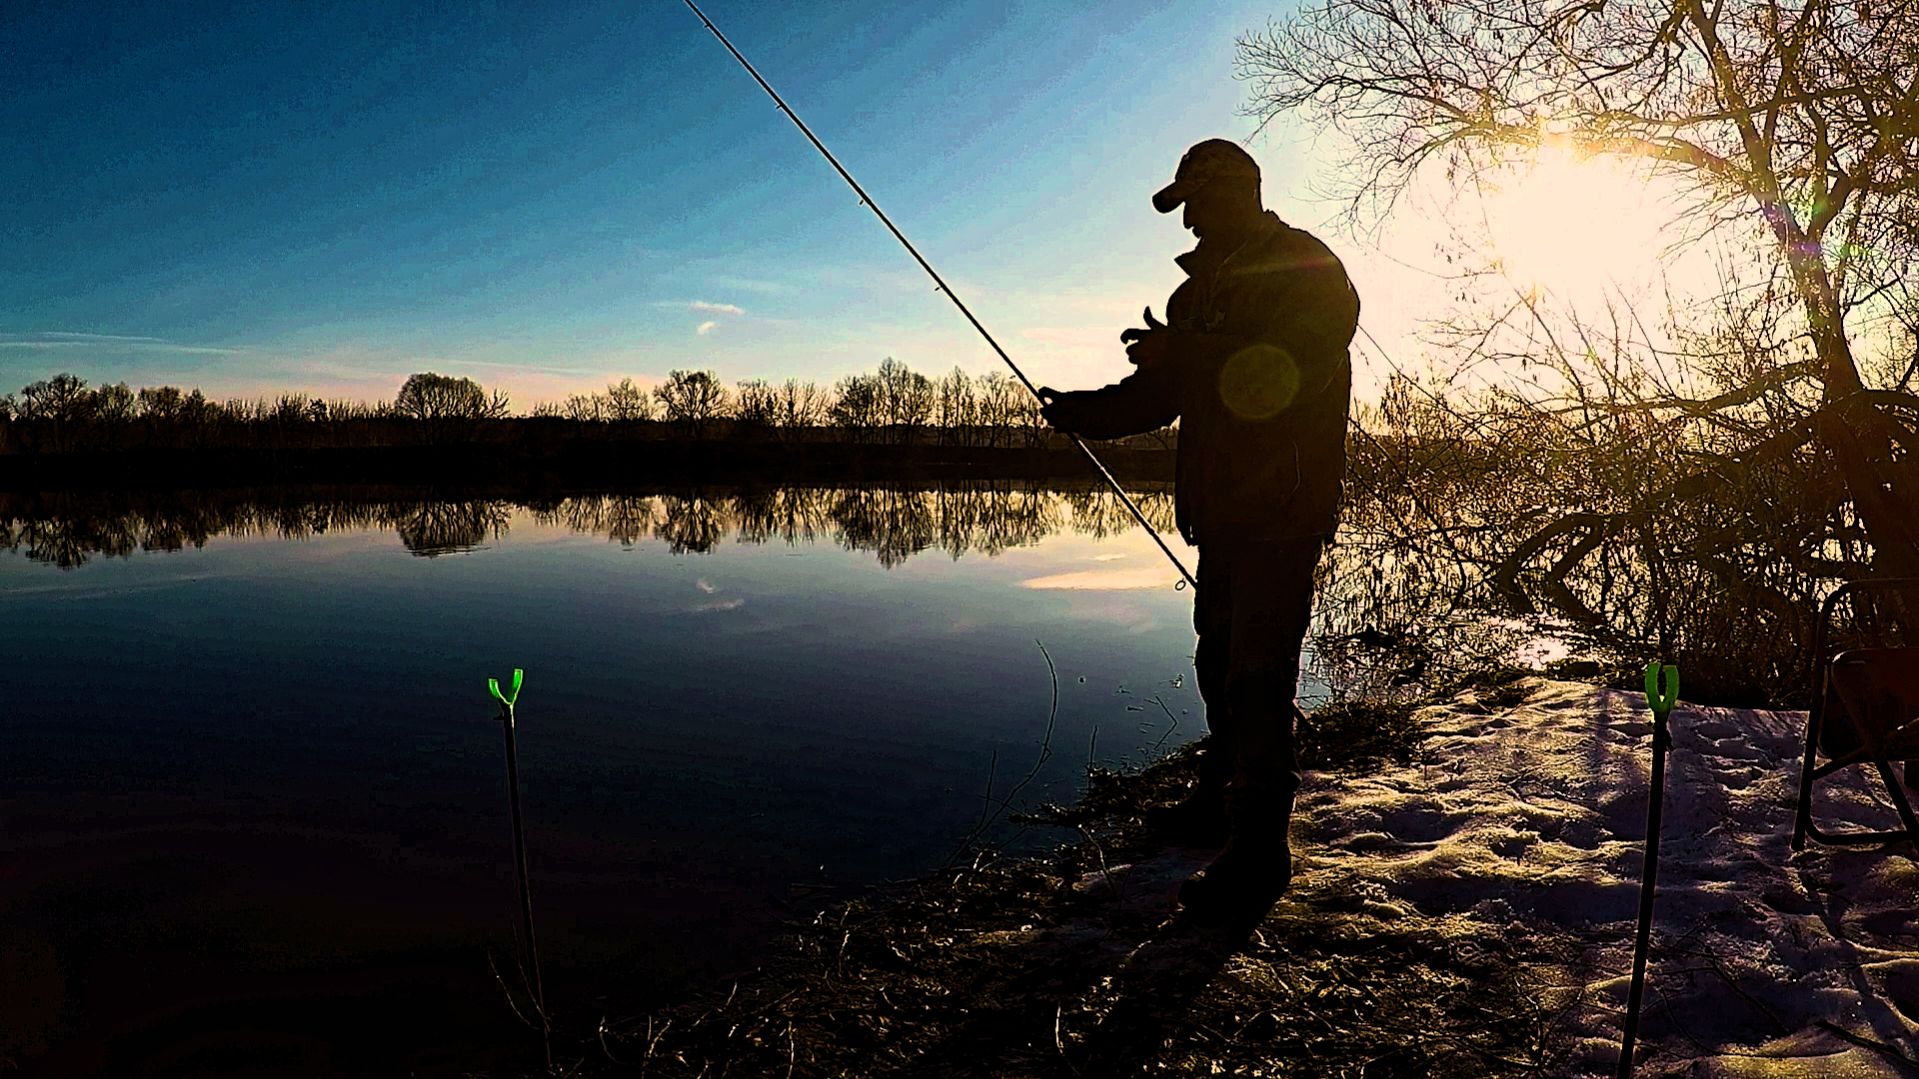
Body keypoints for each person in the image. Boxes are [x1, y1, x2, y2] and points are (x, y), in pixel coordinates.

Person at [1037, 138, 1359, 919]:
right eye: (1182, 209)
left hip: (1282, 510)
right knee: (1218, 664)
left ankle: (1260, 850)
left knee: (1258, 674)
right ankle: (1217, 801)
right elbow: (1161, 395)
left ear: (1239, 191)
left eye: (1197, 204)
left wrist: (1187, 350)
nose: (1188, 224)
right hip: (1218, 513)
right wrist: (1084, 412)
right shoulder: (1194, 295)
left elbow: (1291, 368)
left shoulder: (1307, 268)